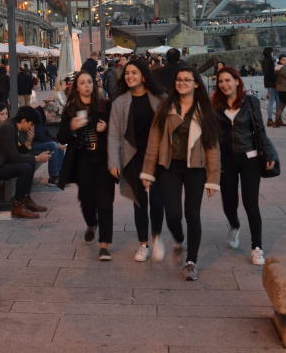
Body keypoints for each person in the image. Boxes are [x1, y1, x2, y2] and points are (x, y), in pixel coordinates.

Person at [141, 67, 221, 281]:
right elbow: (154, 140)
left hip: (196, 168)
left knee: (192, 214)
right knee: (173, 214)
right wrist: (148, 172)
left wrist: (213, 180)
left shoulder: (204, 109)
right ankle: (179, 239)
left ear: (196, 84)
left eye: (187, 79)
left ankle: (191, 261)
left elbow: (212, 146)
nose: (182, 82)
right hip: (169, 168)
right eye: (179, 79)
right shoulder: (165, 108)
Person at [213, 67, 279, 265]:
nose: (224, 84)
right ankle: (234, 225)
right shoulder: (215, 105)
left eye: (227, 80)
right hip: (226, 159)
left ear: (236, 81)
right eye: (220, 81)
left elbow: (259, 130)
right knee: (229, 202)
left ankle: (256, 247)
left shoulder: (251, 102)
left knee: (251, 203)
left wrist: (269, 152)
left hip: (249, 157)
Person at [107, 59, 166, 263]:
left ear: (143, 75)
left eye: (134, 72)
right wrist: (113, 161)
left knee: (158, 200)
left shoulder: (159, 99)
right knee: (139, 202)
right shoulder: (119, 102)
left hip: (156, 156)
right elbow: (113, 134)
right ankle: (143, 244)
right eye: (127, 73)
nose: (130, 76)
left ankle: (157, 236)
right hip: (132, 156)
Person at [57, 71, 114, 260]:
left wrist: (105, 130)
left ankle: (104, 245)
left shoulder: (105, 106)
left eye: (90, 82)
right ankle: (91, 224)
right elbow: (61, 137)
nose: (87, 85)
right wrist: (71, 128)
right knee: (87, 202)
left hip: (104, 161)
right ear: (77, 87)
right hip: (82, 163)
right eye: (83, 83)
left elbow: (116, 132)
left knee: (105, 204)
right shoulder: (71, 109)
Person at [0, 107, 50, 218]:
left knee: (29, 164)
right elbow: (14, 157)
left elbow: (15, 153)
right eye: (31, 124)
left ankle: (25, 198)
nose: (31, 127)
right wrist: (36, 158)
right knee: (26, 167)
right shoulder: (7, 128)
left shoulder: (11, 125)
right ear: (23, 121)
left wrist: (28, 141)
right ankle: (17, 207)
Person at [261, 47, 277, 126]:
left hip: (269, 83)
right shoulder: (268, 61)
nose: (273, 53)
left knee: (274, 101)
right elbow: (269, 73)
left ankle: (275, 119)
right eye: (272, 52)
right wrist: (275, 79)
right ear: (269, 53)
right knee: (271, 102)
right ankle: (270, 119)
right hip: (271, 83)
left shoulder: (265, 61)